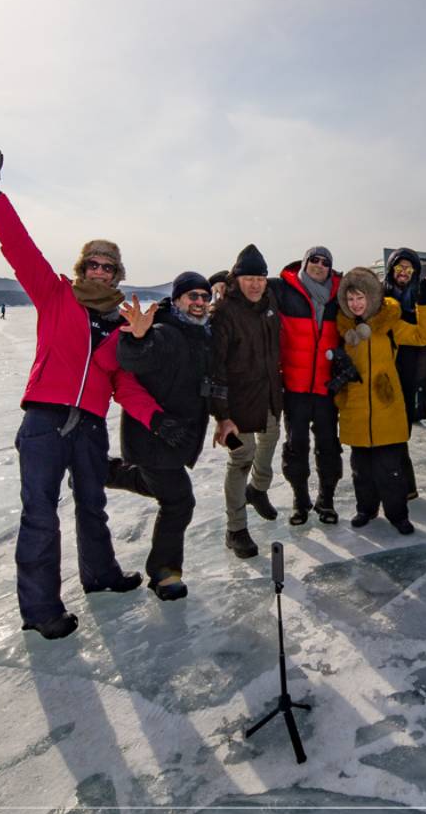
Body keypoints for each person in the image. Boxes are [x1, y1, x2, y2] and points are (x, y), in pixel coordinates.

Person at [0, 148, 175, 641]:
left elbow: (122, 383)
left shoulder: (120, 325)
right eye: (94, 263)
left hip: (88, 424)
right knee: (40, 514)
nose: (100, 271)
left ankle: (100, 575)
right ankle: (41, 609)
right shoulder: (55, 294)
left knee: (91, 505)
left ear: (117, 274)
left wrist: (155, 418)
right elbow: (19, 248)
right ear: (82, 267)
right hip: (44, 421)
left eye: (109, 267)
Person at [107, 272, 214, 601]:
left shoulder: (202, 333)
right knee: (179, 501)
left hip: (177, 437)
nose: (198, 302)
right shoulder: (166, 331)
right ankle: (165, 573)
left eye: (203, 297)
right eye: (191, 296)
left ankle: (99, 471)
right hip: (154, 436)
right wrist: (137, 338)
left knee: (156, 485)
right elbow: (135, 357)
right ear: (178, 299)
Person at [331, 267, 426, 534]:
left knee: (390, 469)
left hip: (385, 406)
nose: (355, 304)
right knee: (361, 469)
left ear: (371, 297)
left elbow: (424, 336)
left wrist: (424, 305)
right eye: (350, 299)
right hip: (355, 407)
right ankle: (366, 509)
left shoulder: (388, 325)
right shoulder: (343, 330)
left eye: (360, 298)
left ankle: (398, 514)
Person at [209, 244, 283, 558]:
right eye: (249, 277)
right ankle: (236, 528)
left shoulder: (269, 303)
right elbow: (215, 367)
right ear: (236, 279)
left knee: (271, 438)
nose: (255, 284)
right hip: (235, 403)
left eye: (260, 277)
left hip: (267, 395)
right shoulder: (224, 311)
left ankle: (259, 489)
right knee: (242, 457)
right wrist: (222, 415)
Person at [268, 246, 344, 525]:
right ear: (305, 262)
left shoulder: (340, 295)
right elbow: (248, 283)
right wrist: (220, 283)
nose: (319, 265)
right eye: (314, 259)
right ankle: (300, 500)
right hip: (295, 387)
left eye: (326, 262)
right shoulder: (284, 289)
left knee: (328, 446)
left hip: (327, 388)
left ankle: (327, 500)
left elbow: (369, 299)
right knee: (296, 445)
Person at [382, 248, 426, 501]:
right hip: (383, 372)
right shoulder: (379, 296)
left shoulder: (421, 297)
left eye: (408, 268)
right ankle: (393, 487)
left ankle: (406, 488)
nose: (403, 272)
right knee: (384, 434)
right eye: (398, 268)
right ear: (391, 270)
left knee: (401, 433)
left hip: (410, 374)